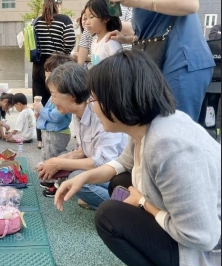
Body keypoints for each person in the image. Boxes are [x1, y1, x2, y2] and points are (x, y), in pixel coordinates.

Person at [54, 50, 221, 266]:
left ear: (118, 98)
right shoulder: (147, 125)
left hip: (207, 251)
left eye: (94, 99)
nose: (92, 106)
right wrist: (82, 178)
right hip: (193, 231)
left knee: (108, 215)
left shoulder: (168, 146)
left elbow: (201, 237)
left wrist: (142, 202)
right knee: (120, 181)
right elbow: (121, 164)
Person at [107, 0, 215, 122]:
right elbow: (152, 28)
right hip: (167, 61)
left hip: (180, 61)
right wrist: (126, 39)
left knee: (175, 129)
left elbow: (191, 5)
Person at [38, 62, 127, 207]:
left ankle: (125, 206)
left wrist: (61, 163)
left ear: (72, 97)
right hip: (111, 171)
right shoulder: (77, 112)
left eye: (54, 95)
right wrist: (58, 161)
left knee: (76, 178)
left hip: (121, 175)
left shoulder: (101, 114)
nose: (52, 101)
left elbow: (104, 161)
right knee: (69, 170)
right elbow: (84, 149)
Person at [32, 0, 75, 149]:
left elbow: (31, 44)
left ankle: (40, 139)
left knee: (39, 101)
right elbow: (70, 41)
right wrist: (63, 55)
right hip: (56, 65)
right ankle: (57, 134)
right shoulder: (64, 20)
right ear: (58, 4)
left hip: (38, 67)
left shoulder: (36, 22)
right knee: (57, 99)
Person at [33, 54, 73, 163]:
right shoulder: (53, 94)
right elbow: (49, 113)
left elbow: (57, 116)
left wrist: (41, 110)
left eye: (49, 75)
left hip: (56, 133)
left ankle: (55, 177)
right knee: (47, 152)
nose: (46, 79)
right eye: (46, 75)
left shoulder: (62, 95)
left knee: (54, 155)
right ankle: (48, 170)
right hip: (49, 131)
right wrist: (39, 114)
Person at [85, 0, 122, 67]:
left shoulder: (111, 43)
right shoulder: (94, 42)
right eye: (86, 18)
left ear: (105, 18)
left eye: (91, 17)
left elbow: (118, 69)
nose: (87, 22)